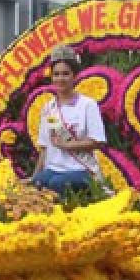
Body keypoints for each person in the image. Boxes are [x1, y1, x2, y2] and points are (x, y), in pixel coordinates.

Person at [32, 44, 106, 195]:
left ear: (74, 76)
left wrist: (68, 145)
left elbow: (98, 141)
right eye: (56, 74)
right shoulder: (49, 108)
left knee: (55, 184)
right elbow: (44, 148)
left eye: (66, 74)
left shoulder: (87, 105)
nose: (60, 78)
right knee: (38, 182)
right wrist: (34, 177)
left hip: (80, 169)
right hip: (53, 169)